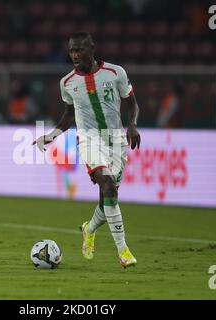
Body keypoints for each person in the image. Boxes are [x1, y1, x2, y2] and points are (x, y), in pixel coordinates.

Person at [33, 32, 141, 268]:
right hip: (89, 140)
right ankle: (123, 252)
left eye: (80, 50)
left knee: (107, 199)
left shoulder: (115, 73)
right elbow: (68, 115)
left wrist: (132, 124)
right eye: (72, 51)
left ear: (92, 48)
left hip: (116, 141)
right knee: (109, 185)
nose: (75, 55)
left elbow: (132, 103)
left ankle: (88, 229)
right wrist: (50, 136)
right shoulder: (67, 82)